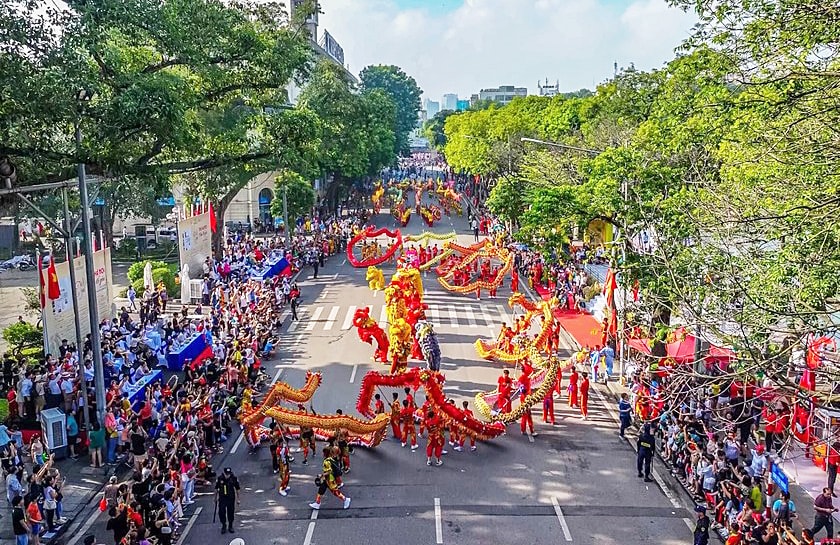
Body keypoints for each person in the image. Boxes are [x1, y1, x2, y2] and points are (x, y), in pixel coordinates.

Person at [215, 467, 241, 534]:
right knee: (221, 512)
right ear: (224, 473)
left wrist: (238, 499)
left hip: (230, 498)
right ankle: (224, 525)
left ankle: (230, 525)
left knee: (231, 512)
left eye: (229, 474)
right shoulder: (220, 478)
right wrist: (215, 497)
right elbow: (216, 488)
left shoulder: (233, 478)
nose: (227, 475)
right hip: (222, 498)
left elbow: (237, 488)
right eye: (226, 474)